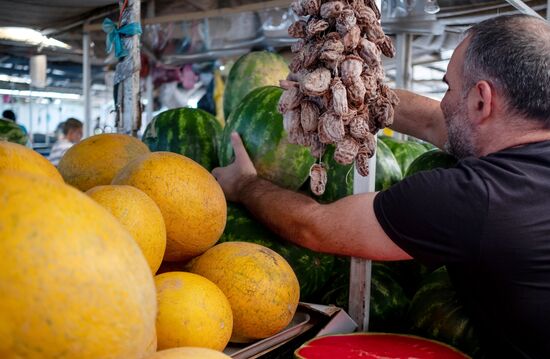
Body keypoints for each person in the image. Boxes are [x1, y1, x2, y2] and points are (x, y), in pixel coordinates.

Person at [212, 14, 550, 359]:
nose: (444, 102)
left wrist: (245, 184)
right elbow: (437, 122)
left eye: (448, 87)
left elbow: (315, 226)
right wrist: (349, 95)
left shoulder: (476, 199)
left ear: (482, 100)